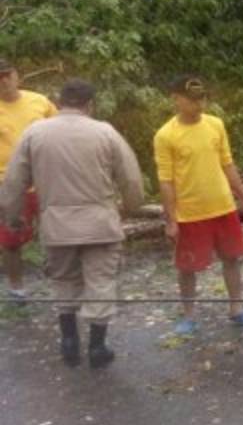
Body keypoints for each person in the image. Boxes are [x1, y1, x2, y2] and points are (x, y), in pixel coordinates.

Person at [0, 80, 143, 367]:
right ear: (90, 105)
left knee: (63, 279)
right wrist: (131, 207)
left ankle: (69, 341)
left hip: (57, 225)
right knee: (101, 281)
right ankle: (97, 347)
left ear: (59, 102)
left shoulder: (35, 133)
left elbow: (14, 181)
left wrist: (13, 217)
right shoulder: (105, 132)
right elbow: (130, 179)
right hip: (100, 224)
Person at [153, 75, 243, 335]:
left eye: (202, 99)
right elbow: (166, 181)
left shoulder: (215, 124)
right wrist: (171, 220)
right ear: (176, 99)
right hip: (189, 213)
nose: (199, 105)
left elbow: (227, 163)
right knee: (187, 267)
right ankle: (189, 316)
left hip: (222, 206)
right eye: (192, 100)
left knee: (232, 258)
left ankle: (236, 309)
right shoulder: (165, 135)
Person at [0, 59, 57, 302]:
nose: (3, 81)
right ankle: (16, 288)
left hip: (45, 178)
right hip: (9, 184)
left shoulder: (39, 101)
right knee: (11, 239)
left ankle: (60, 280)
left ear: (17, 76)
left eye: (7, 75)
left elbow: (60, 130)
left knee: (56, 231)